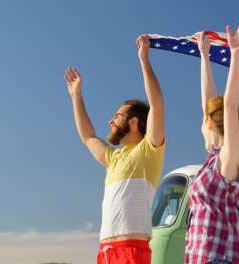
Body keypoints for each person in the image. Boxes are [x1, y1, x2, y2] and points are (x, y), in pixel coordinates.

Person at [64, 34, 165, 264]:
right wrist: (76, 97)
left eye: (117, 115)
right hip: (106, 250)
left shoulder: (149, 149)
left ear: (134, 122)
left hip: (132, 250)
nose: (111, 120)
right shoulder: (112, 157)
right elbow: (88, 137)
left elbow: (157, 104)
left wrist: (143, 59)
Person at [185, 16, 239, 264]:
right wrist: (204, 56)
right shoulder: (212, 162)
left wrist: (235, 55)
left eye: (203, 118)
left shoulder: (228, 160)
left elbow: (229, 107)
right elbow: (209, 102)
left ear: (208, 123)